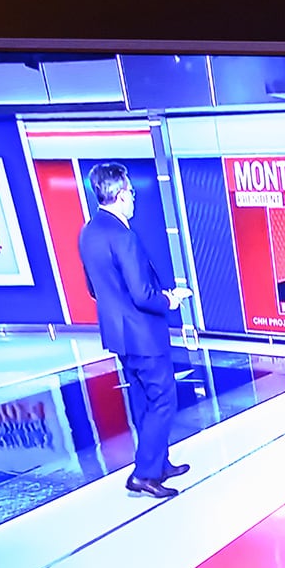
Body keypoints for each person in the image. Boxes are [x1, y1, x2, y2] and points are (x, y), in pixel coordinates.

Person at [76, 162, 190, 499]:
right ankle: (145, 474)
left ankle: (158, 460)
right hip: (143, 334)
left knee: (143, 400)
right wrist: (170, 300)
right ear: (121, 194)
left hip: (119, 334)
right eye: (131, 192)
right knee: (163, 400)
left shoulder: (89, 231)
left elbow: (94, 288)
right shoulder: (123, 236)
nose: (133, 198)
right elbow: (142, 294)